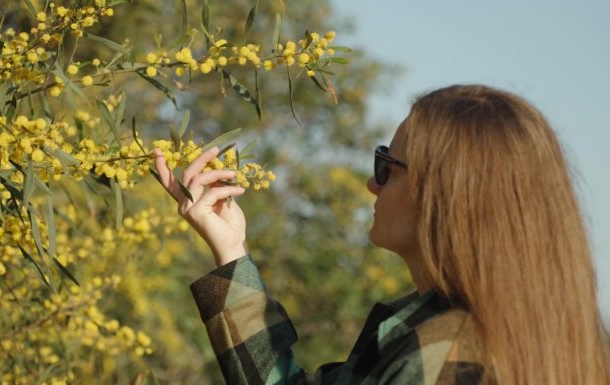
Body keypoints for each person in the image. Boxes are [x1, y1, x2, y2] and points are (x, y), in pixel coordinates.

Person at [153, 84, 610, 385]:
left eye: (386, 167)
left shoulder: (445, 357)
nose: (372, 184)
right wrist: (230, 248)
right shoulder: (457, 328)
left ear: (448, 194)